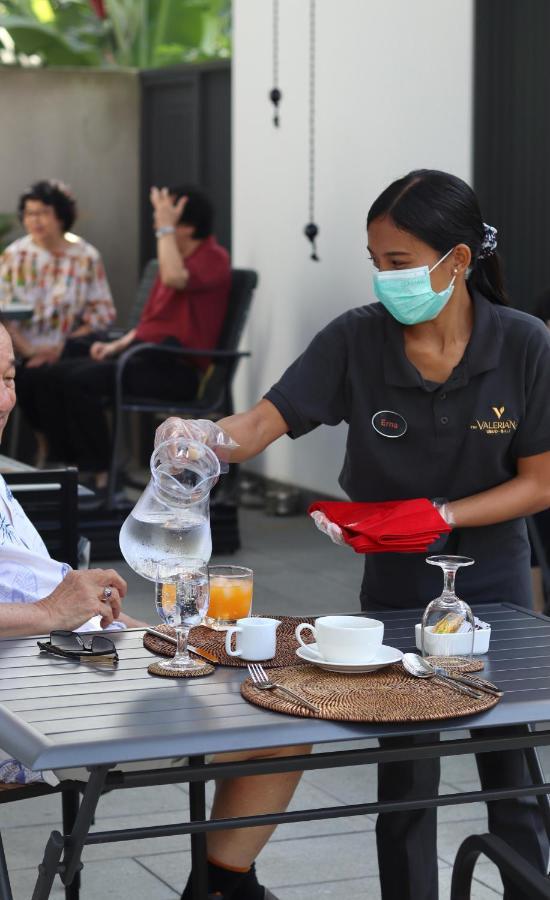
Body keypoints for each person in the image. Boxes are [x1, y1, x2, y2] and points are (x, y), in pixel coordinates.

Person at [157, 169, 550, 900]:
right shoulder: (356, 340)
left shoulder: (525, 345)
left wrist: (442, 515)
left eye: (399, 262)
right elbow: (258, 425)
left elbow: (541, 481)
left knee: (513, 771)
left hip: (492, 587)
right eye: (376, 263)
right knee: (405, 781)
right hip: (396, 591)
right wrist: (200, 434)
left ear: (456, 260)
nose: (384, 280)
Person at [0, 323, 304, 900]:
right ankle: (225, 888)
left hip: (74, 661)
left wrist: (92, 605)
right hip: (30, 707)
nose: (4, 399)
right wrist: (50, 609)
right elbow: (40, 608)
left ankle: (221, 884)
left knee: (280, 696)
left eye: (10, 378)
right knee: (272, 716)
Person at [28, 184, 231, 491]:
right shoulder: (169, 262)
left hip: (179, 369)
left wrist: (165, 228)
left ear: (187, 227)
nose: (155, 225)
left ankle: (103, 472)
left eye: (164, 220)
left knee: (77, 381)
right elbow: (151, 322)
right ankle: (71, 464)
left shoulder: (212, 258)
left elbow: (177, 277)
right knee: (49, 374)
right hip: (145, 356)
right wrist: (115, 345)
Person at [0, 179, 116, 463]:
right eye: (29, 213)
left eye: (42, 212)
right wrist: (29, 352)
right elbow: (3, 311)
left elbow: (102, 314)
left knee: (62, 380)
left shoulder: (85, 256)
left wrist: (60, 348)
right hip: (20, 351)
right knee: (29, 378)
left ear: (60, 215)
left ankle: (70, 462)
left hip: (67, 349)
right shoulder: (15, 255)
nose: (35, 220)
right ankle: (51, 451)